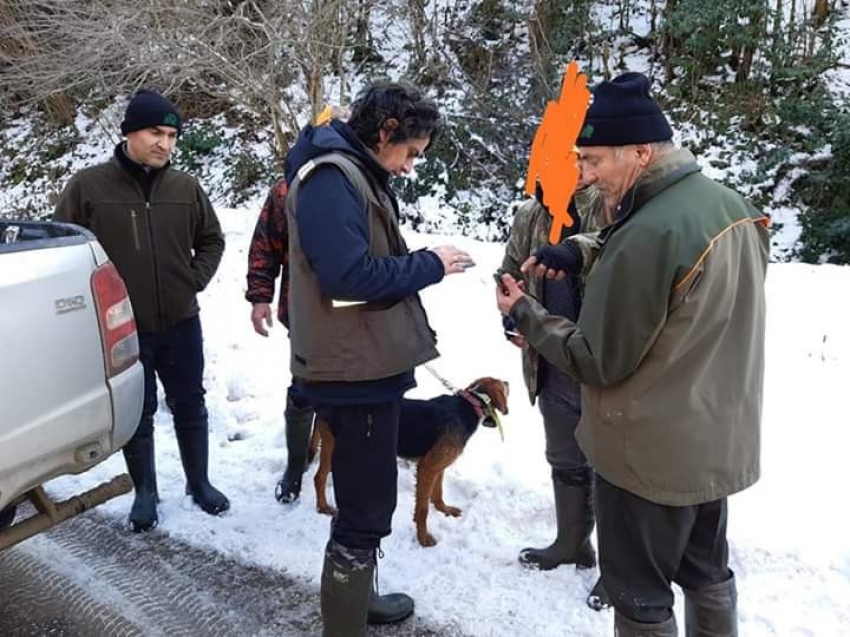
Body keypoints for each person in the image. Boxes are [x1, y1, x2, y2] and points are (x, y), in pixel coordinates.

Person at [496, 72, 769, 636]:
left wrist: (524, 311)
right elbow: (680, 288)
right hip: (711, 442)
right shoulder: (729, 206)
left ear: (640, 152)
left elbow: (597, 359)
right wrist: (580, 249)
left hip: (646, 456)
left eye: (594, 160)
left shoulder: (647, 233)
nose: (586, 176)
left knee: (640, 598)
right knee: (707, 574)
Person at [284, 81, 473, 636]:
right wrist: (429, 264)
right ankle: (344, 623)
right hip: (351, 372)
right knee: (366, 508)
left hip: (367, 364)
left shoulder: (354, 174)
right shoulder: (330, 180)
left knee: (367, 499)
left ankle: (358, 599)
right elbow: (348, 277)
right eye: (411, 152)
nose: (412, 167)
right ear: (386, 131)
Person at [54, 89, 229, 533]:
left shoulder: (185, 187)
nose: (165, 144)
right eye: (156, 132)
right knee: (139, 411)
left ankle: (199, 482)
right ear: (130, 131)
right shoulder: (88, 186)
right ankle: (145, 492)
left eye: (172, 135)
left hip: (182, 322)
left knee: (191, 404)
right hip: (124, 328)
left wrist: (193, 280)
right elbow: (63, 250)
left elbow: (212, 240)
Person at [500, 175, 612, 608]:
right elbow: (509, 270)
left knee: (611, 470)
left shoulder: (607, 209)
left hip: (599, 365)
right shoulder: (530, 213)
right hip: (549, 362)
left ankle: (619, 569)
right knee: (565, 459)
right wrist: (512, 318)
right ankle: (571, 543)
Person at [245, 177, 316, 504]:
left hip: (355, 312)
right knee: (303, 390)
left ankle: (335, 459)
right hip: (304, 313)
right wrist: (260, 296)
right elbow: (264, 245)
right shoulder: (289, 189)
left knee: (351, 394)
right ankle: (296, 465)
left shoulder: (368, 180)